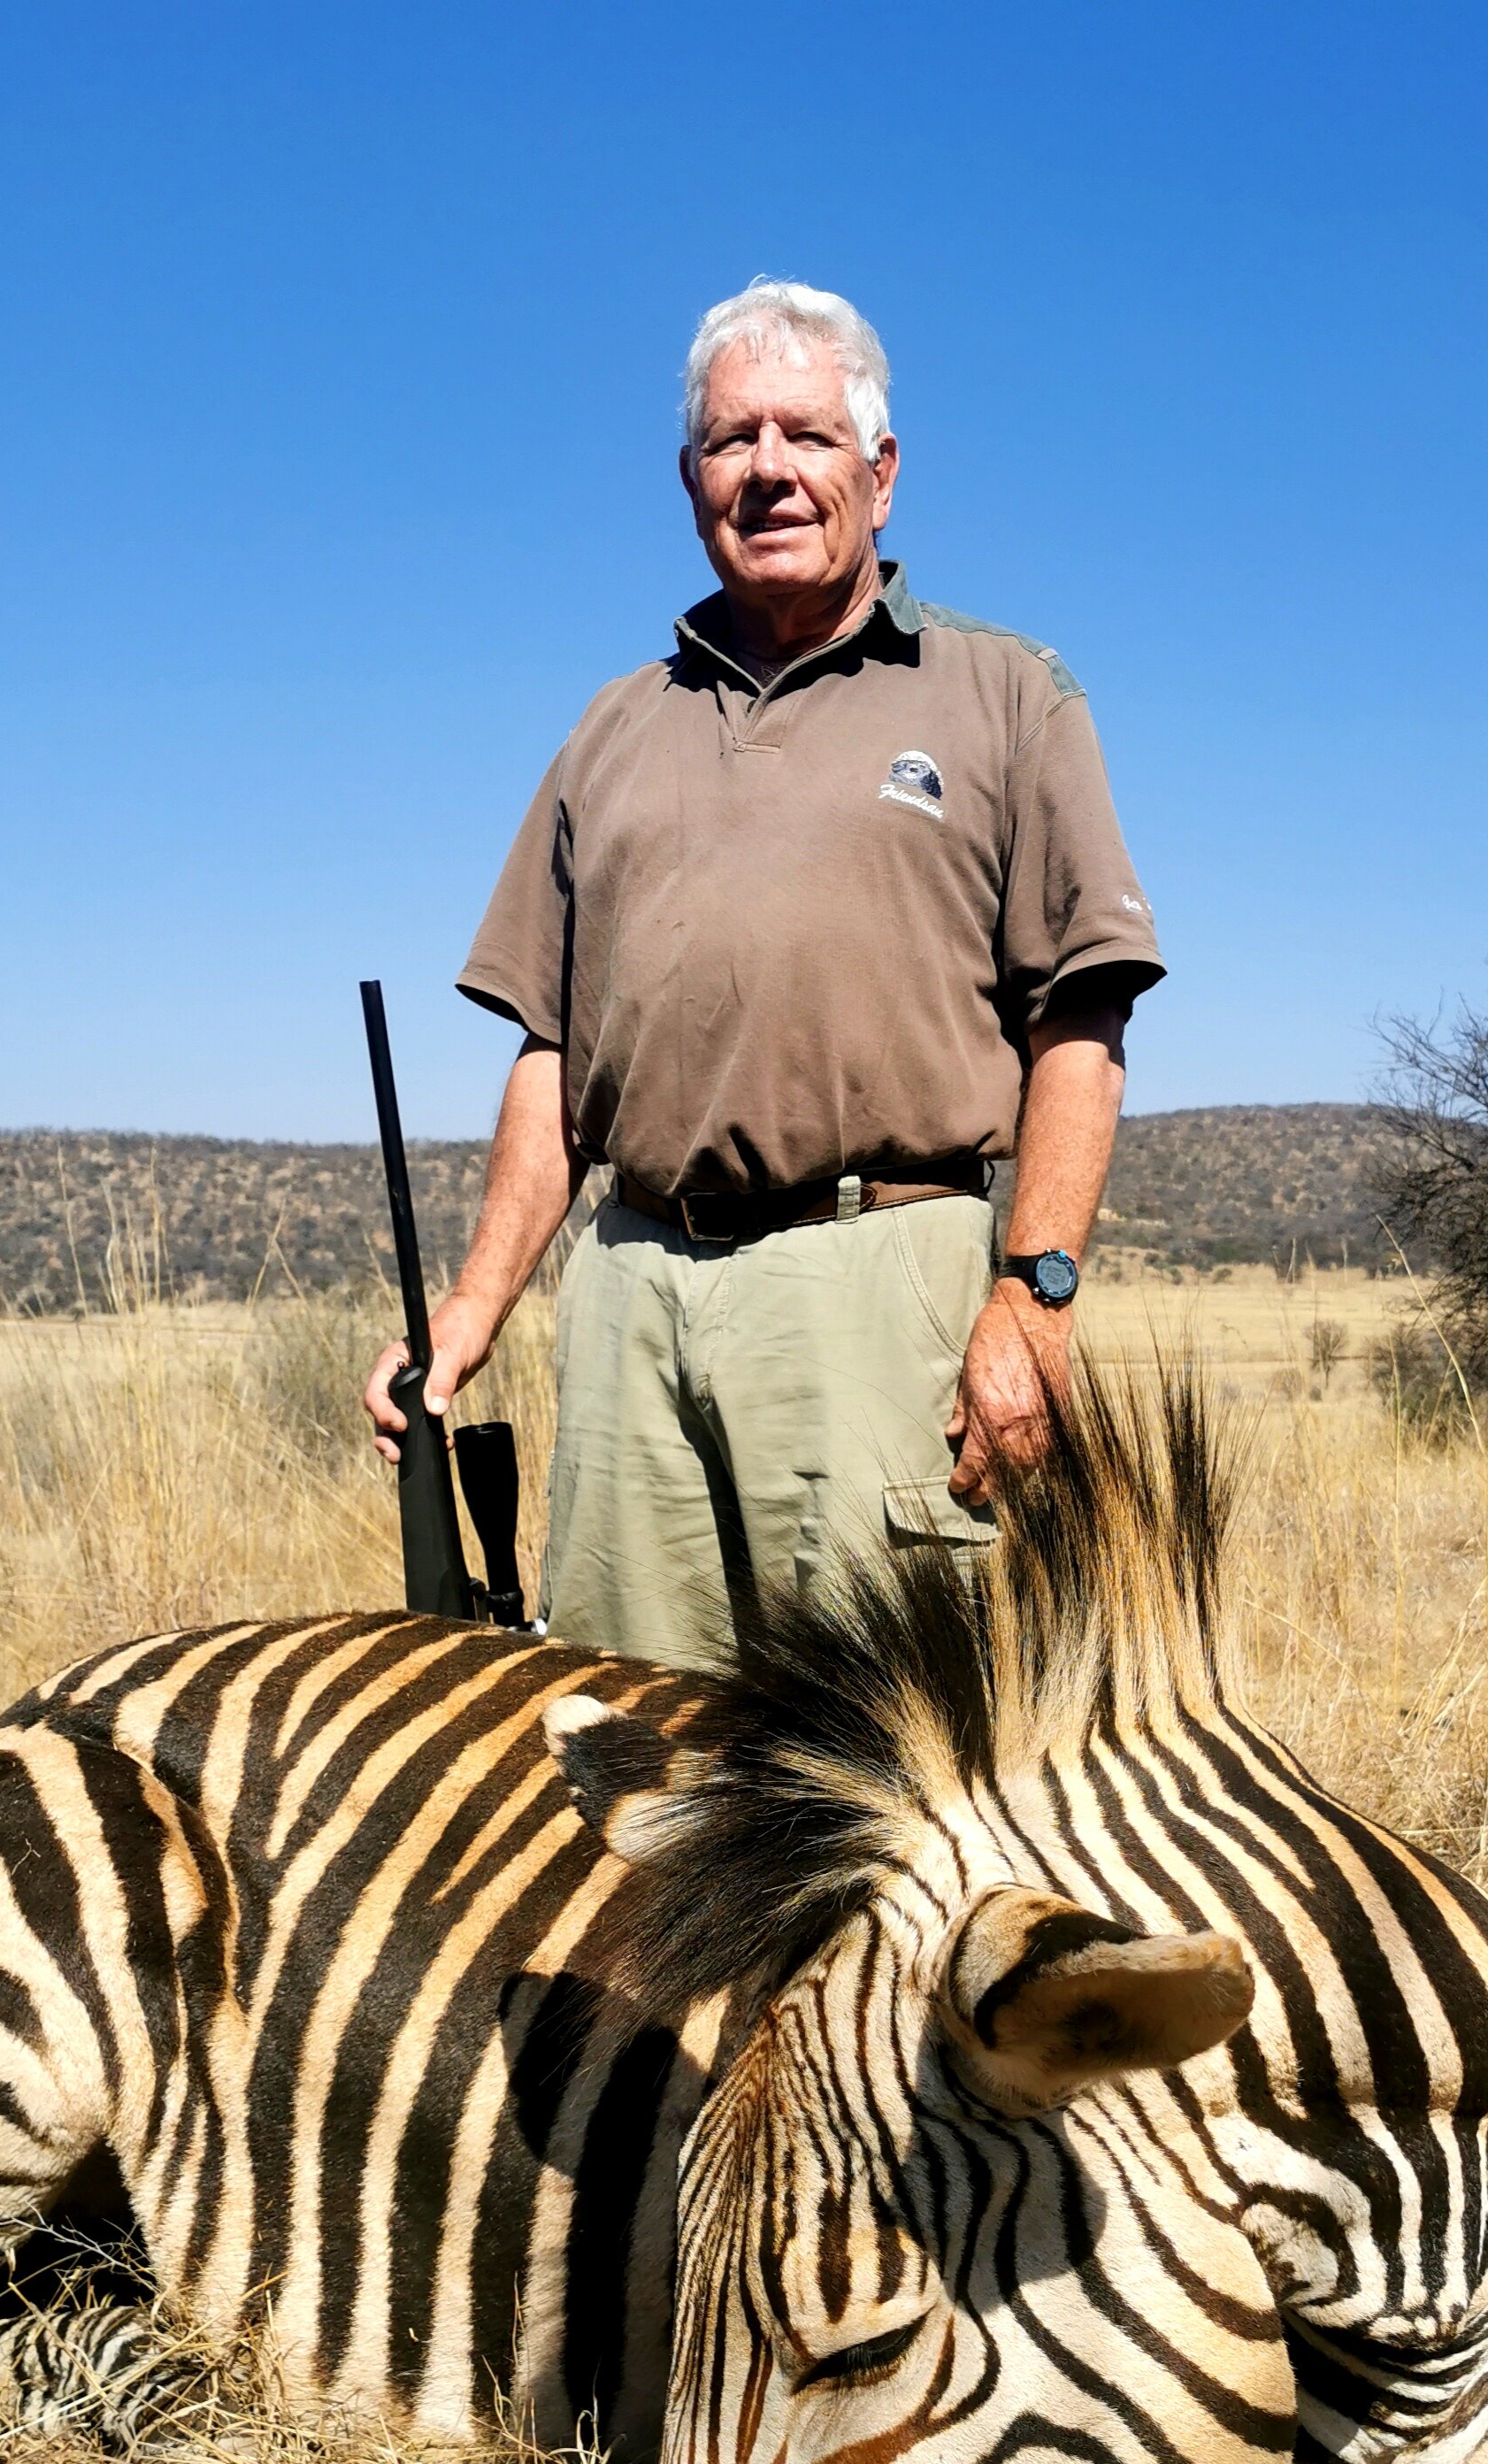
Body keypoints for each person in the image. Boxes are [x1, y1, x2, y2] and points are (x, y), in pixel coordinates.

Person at [364, 277, 1163, 1671]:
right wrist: (474, 1311)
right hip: (632, 1299)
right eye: (734, 441)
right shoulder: (614, 730)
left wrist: (1033, 1299)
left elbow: (1080, 1018)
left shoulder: (1003, 697)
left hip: (874, 1286)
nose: (771, 471)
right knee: (625, 1766)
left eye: (806, 433)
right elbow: (552, 1064)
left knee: (888, 1785)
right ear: (690, 481)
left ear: (883, 472)